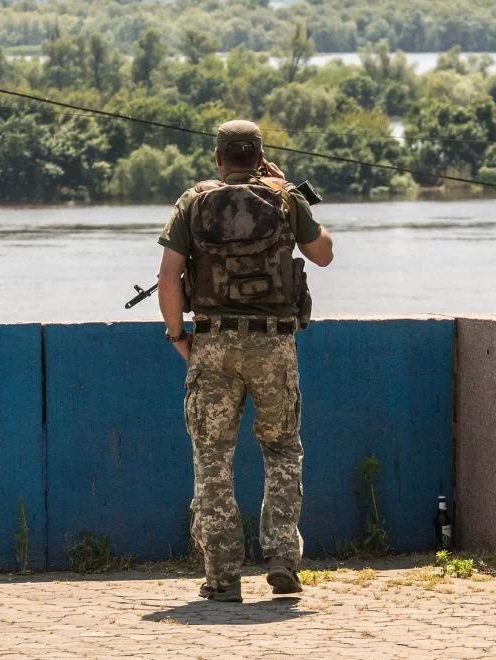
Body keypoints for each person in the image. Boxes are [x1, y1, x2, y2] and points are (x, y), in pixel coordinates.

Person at [156, 119, 334, 603]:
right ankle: (281, 557)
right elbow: (324, 254)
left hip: (212, 344)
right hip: (274, 345)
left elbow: (168, 278)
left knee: (213, 459)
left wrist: (179, 337)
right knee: (281, 450)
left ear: (218, 159)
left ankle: (223, 576)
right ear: (259, 155)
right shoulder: (284, 197)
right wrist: (295, 192)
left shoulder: (193, 202)